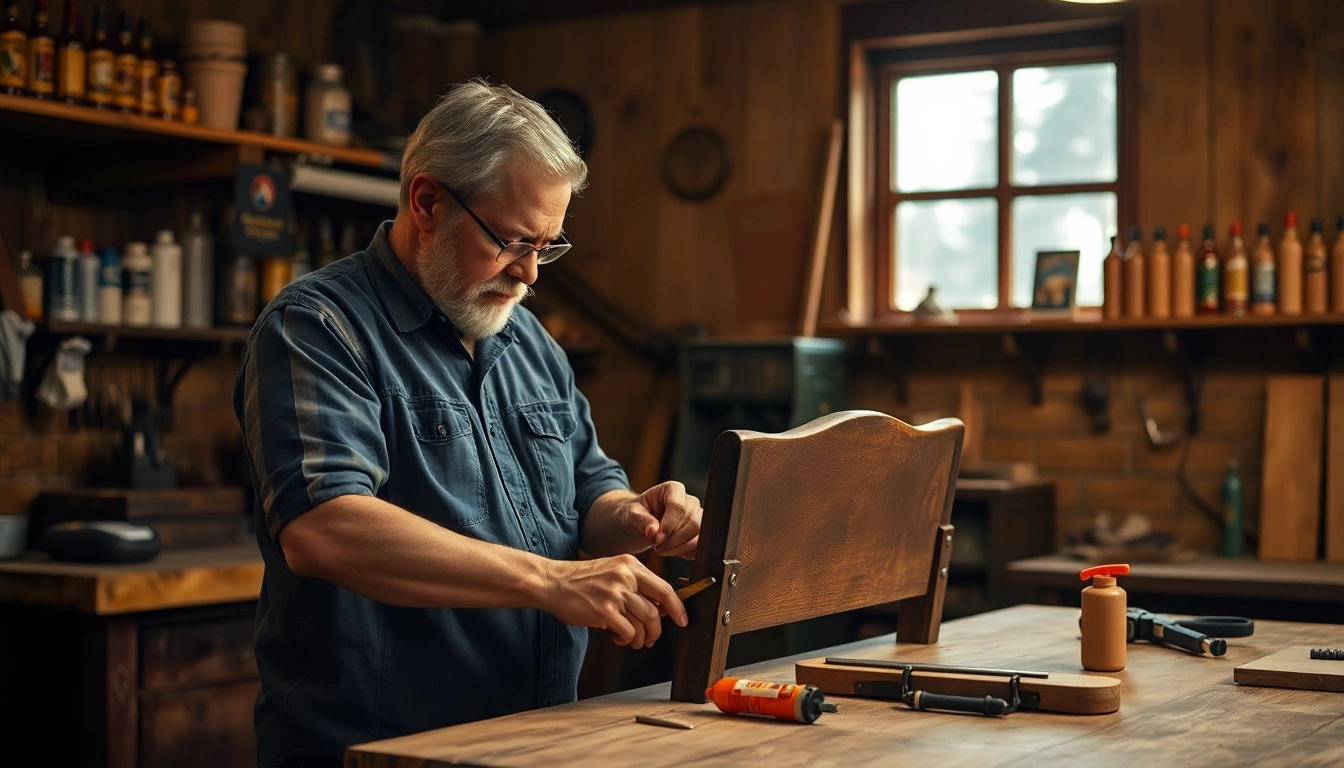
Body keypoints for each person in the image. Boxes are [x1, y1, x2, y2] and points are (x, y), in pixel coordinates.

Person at [234, 79, 703, 768]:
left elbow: (586, 493)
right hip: (377, 750)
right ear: (427, 202)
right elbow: (324, 528)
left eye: (548, 246)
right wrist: (550, 581)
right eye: (513, 241)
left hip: (535, 740)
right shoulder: (318, 327)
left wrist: (635, 515)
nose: (531, 274)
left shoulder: (529, 341)